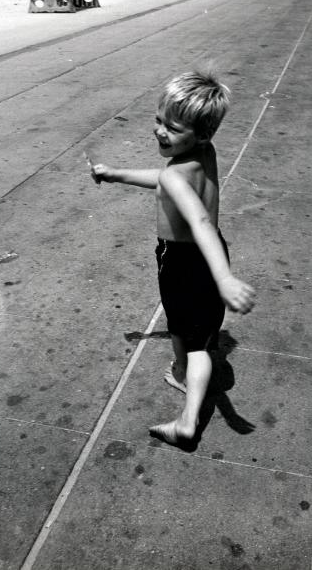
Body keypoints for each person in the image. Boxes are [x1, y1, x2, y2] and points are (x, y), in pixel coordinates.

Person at [90, 69, 255, 446]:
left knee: (191, 339)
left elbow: (197, 220)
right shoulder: (203, 152)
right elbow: (166, 178)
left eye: (172, 128)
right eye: (159, 120)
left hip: (182, 261)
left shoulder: (174, 178)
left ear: (199, 134)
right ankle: (187, 370)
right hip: (209, 255)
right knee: (198, 330)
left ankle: (187, 418)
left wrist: (226, 278)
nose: (160, 131)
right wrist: (117, 174)